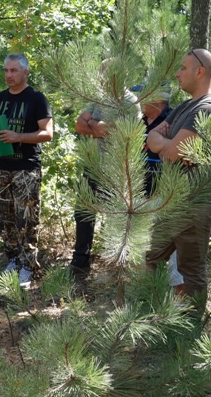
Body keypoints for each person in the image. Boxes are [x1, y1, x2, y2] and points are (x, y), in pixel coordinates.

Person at [145, 48, 211, 299]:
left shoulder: (209, 108)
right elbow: (151, 138)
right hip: (174, 200)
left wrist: (163, 141)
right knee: (151, 257)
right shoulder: (186, 106)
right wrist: (161, 141)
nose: (177, 73)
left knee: (190, 271)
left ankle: (191, 330)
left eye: (182, 68)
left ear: (200, 71)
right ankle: (159, 315)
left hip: (196, 202)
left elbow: (170, 152)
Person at [68, 67, 140, 279]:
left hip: (115, 168)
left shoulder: (129, 102)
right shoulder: (99, 98)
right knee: (83, 213)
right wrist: (94, 125)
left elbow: (111, 130)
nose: (99, 77)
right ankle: (80, 262)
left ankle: (114, 268)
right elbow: (80, 125)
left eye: (103, 73)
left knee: (113, 218)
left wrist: (93, 123)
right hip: (93, 165)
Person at [0, 53, 54, 287]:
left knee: (26, 219)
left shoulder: (36, 98)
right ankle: (13, 260)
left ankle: (28, 267)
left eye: (14, 71)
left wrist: (19, 137)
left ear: (25, 72)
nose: (9, 75)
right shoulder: (0, 98)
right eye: (6, 70)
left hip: (26, 168)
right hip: (2, 166)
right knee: (5, 217)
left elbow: (47, 133)